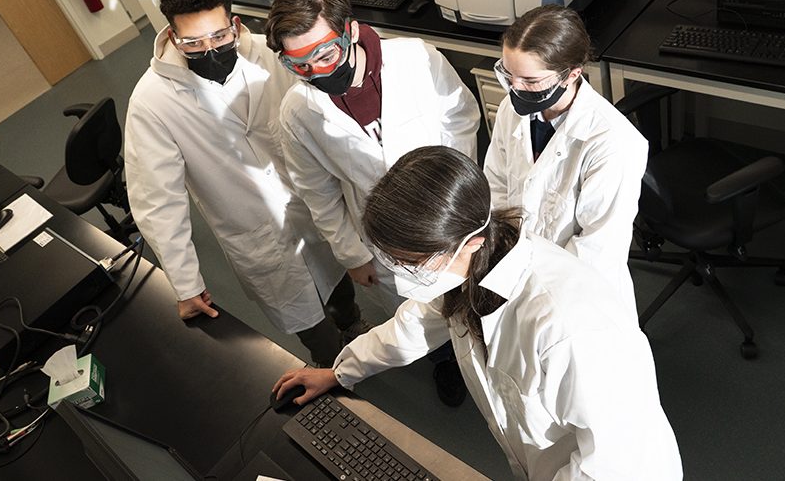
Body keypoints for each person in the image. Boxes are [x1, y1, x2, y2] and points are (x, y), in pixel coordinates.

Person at [272, 146, 682, 480]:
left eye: (409, 262)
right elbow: (411, 328)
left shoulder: (568, 326)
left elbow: (618, 463)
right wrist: (340, 371)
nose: (397, 273)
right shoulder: (470, 270)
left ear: (467, 242)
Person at [124, 0, 365, 367]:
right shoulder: (152, 101)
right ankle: (334, 365)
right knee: (307, 320)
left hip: (308, 203)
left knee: (338, 282)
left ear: (235, 24)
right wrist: (186, 284)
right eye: (193, 42)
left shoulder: (268, 55)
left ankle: (352, 323)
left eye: (219, 37)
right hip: (254, 231)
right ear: (171, 35)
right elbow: (158, 201)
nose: (209, 49)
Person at [264, 0, 480, 406]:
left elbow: (461, 117)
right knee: (418, 310)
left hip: (453, 215)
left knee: (476, 294)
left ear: (349, 32)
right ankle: (445, 362)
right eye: (298, 64)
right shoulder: (298, 110)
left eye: (324, 54)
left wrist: (457, 193)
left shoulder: (414, 59)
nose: (315, 72)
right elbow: (317, 190)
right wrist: (352, 254)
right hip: (382, 236)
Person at [483, 5, 648, 318]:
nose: (514, 89)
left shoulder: (612, 142)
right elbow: (496, 186)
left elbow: (597, 247)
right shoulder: (513, 109)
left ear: (572, 74)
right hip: (512, 267)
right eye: (508, 74)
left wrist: (531, 289)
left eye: (530, 80)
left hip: (574, 291)